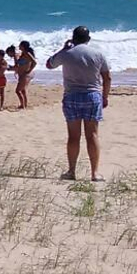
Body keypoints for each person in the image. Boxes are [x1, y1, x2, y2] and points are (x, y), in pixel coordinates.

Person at [46, 25, 112, 181]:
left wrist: (63, 49)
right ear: (88, 39)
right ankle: (94, 173)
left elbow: (49, 65)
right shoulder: (97, 53)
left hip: (72, 95)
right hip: (92, 95)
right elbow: (107, 77)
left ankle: (71, 171)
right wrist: (105, 96)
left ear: (73, 38)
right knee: (93, 135)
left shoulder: (67, 54)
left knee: (73, 136)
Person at [14, 40, 36, 110]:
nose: (19, 46)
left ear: (23, 46)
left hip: (26, 74)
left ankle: (22, 106)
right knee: (23, 90)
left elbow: (34, 62)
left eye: (20, 45)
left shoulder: (27, 53)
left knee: (18, 91)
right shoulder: (23, 53)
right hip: (22, 74)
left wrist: (29, 70)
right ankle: (24, 104)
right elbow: (19, 64)